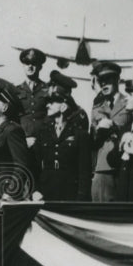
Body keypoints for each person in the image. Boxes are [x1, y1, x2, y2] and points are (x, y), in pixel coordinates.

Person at [31, 72, 91, 202]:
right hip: (46, 189)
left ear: (64, 105)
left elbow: (84, 169)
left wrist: (81, 197)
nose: (47, 105)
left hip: (70, 190)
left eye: (52, 101)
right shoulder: (44, 130)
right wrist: (35, 189)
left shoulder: (78, 127)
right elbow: (34, 163)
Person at [89, 61, 132, 202]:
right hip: (102, 167)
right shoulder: (97, 106)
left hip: (125, 166)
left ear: (117, 80)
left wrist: (113, 126)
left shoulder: (129, 103)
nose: (103, 84)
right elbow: (92, 139)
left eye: (108, 80)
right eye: (101, 81)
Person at [15, 48, 49, 139]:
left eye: (34, 64)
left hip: (44, 139)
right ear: (23, 66)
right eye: (27, 63)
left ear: (40, 67)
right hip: (22, 139)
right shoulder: (16, 90)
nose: (30, 67)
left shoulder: (48, 89)